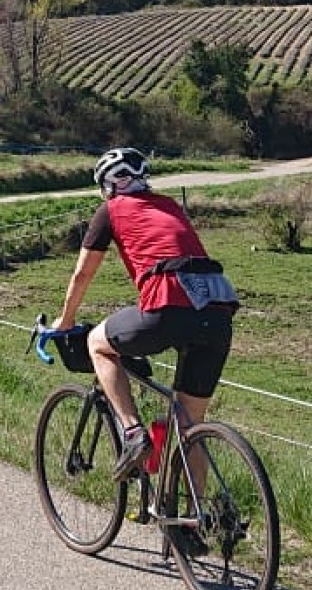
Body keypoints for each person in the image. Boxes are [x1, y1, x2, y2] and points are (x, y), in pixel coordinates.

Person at [52, 146, 240, 477]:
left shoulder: (111, 210)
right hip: (217, 312)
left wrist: (65, 321)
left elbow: (82, 274)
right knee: (189, 426)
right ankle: (196, 510)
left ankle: (133, 434)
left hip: (168, 304)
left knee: (97, 343)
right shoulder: (170, 205)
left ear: (109, 185)